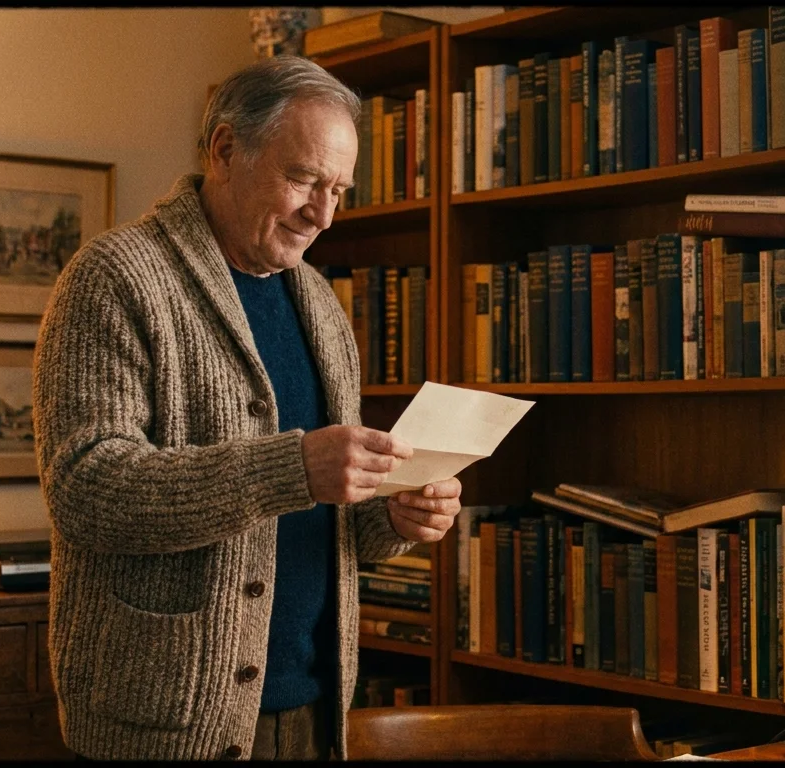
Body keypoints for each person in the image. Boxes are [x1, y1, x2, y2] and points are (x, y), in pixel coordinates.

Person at [31, 55, 461, 762]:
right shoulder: (115, 276)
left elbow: (327, 519)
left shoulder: (320, 302)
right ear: (226, 150)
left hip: (317, 709)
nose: (323, 214)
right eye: (304, 179)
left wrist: (393, 516)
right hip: (166, 724)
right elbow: (87, 490)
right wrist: (291, 468)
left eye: (338, 190)